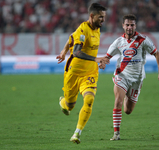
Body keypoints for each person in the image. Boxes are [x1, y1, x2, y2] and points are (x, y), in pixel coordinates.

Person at [99, 14, 159, 140]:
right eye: (127, 25)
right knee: (118, 100)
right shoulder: (118, 42)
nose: (129, 27)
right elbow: (107, 57)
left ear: (135, 26)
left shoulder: (143, 40)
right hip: (122, 75)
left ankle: (127, 96)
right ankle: (116, 134)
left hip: (137, 79)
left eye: (132, 25)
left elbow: (156, 54)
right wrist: (103, 62)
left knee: (128, 111)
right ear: (123, 26)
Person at [56, 3, 109, 144]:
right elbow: (77, 52)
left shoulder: (97, 29)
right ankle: (63, 103)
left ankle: (76, 134)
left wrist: (63, 50)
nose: (103, 20)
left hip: (90, 72)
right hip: (74, 72)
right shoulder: (83, 29)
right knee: (70, 106)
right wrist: (96, 58)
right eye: (100, 17)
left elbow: (71, 38)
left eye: (104, 17)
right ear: (92, 16)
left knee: (89, 100)